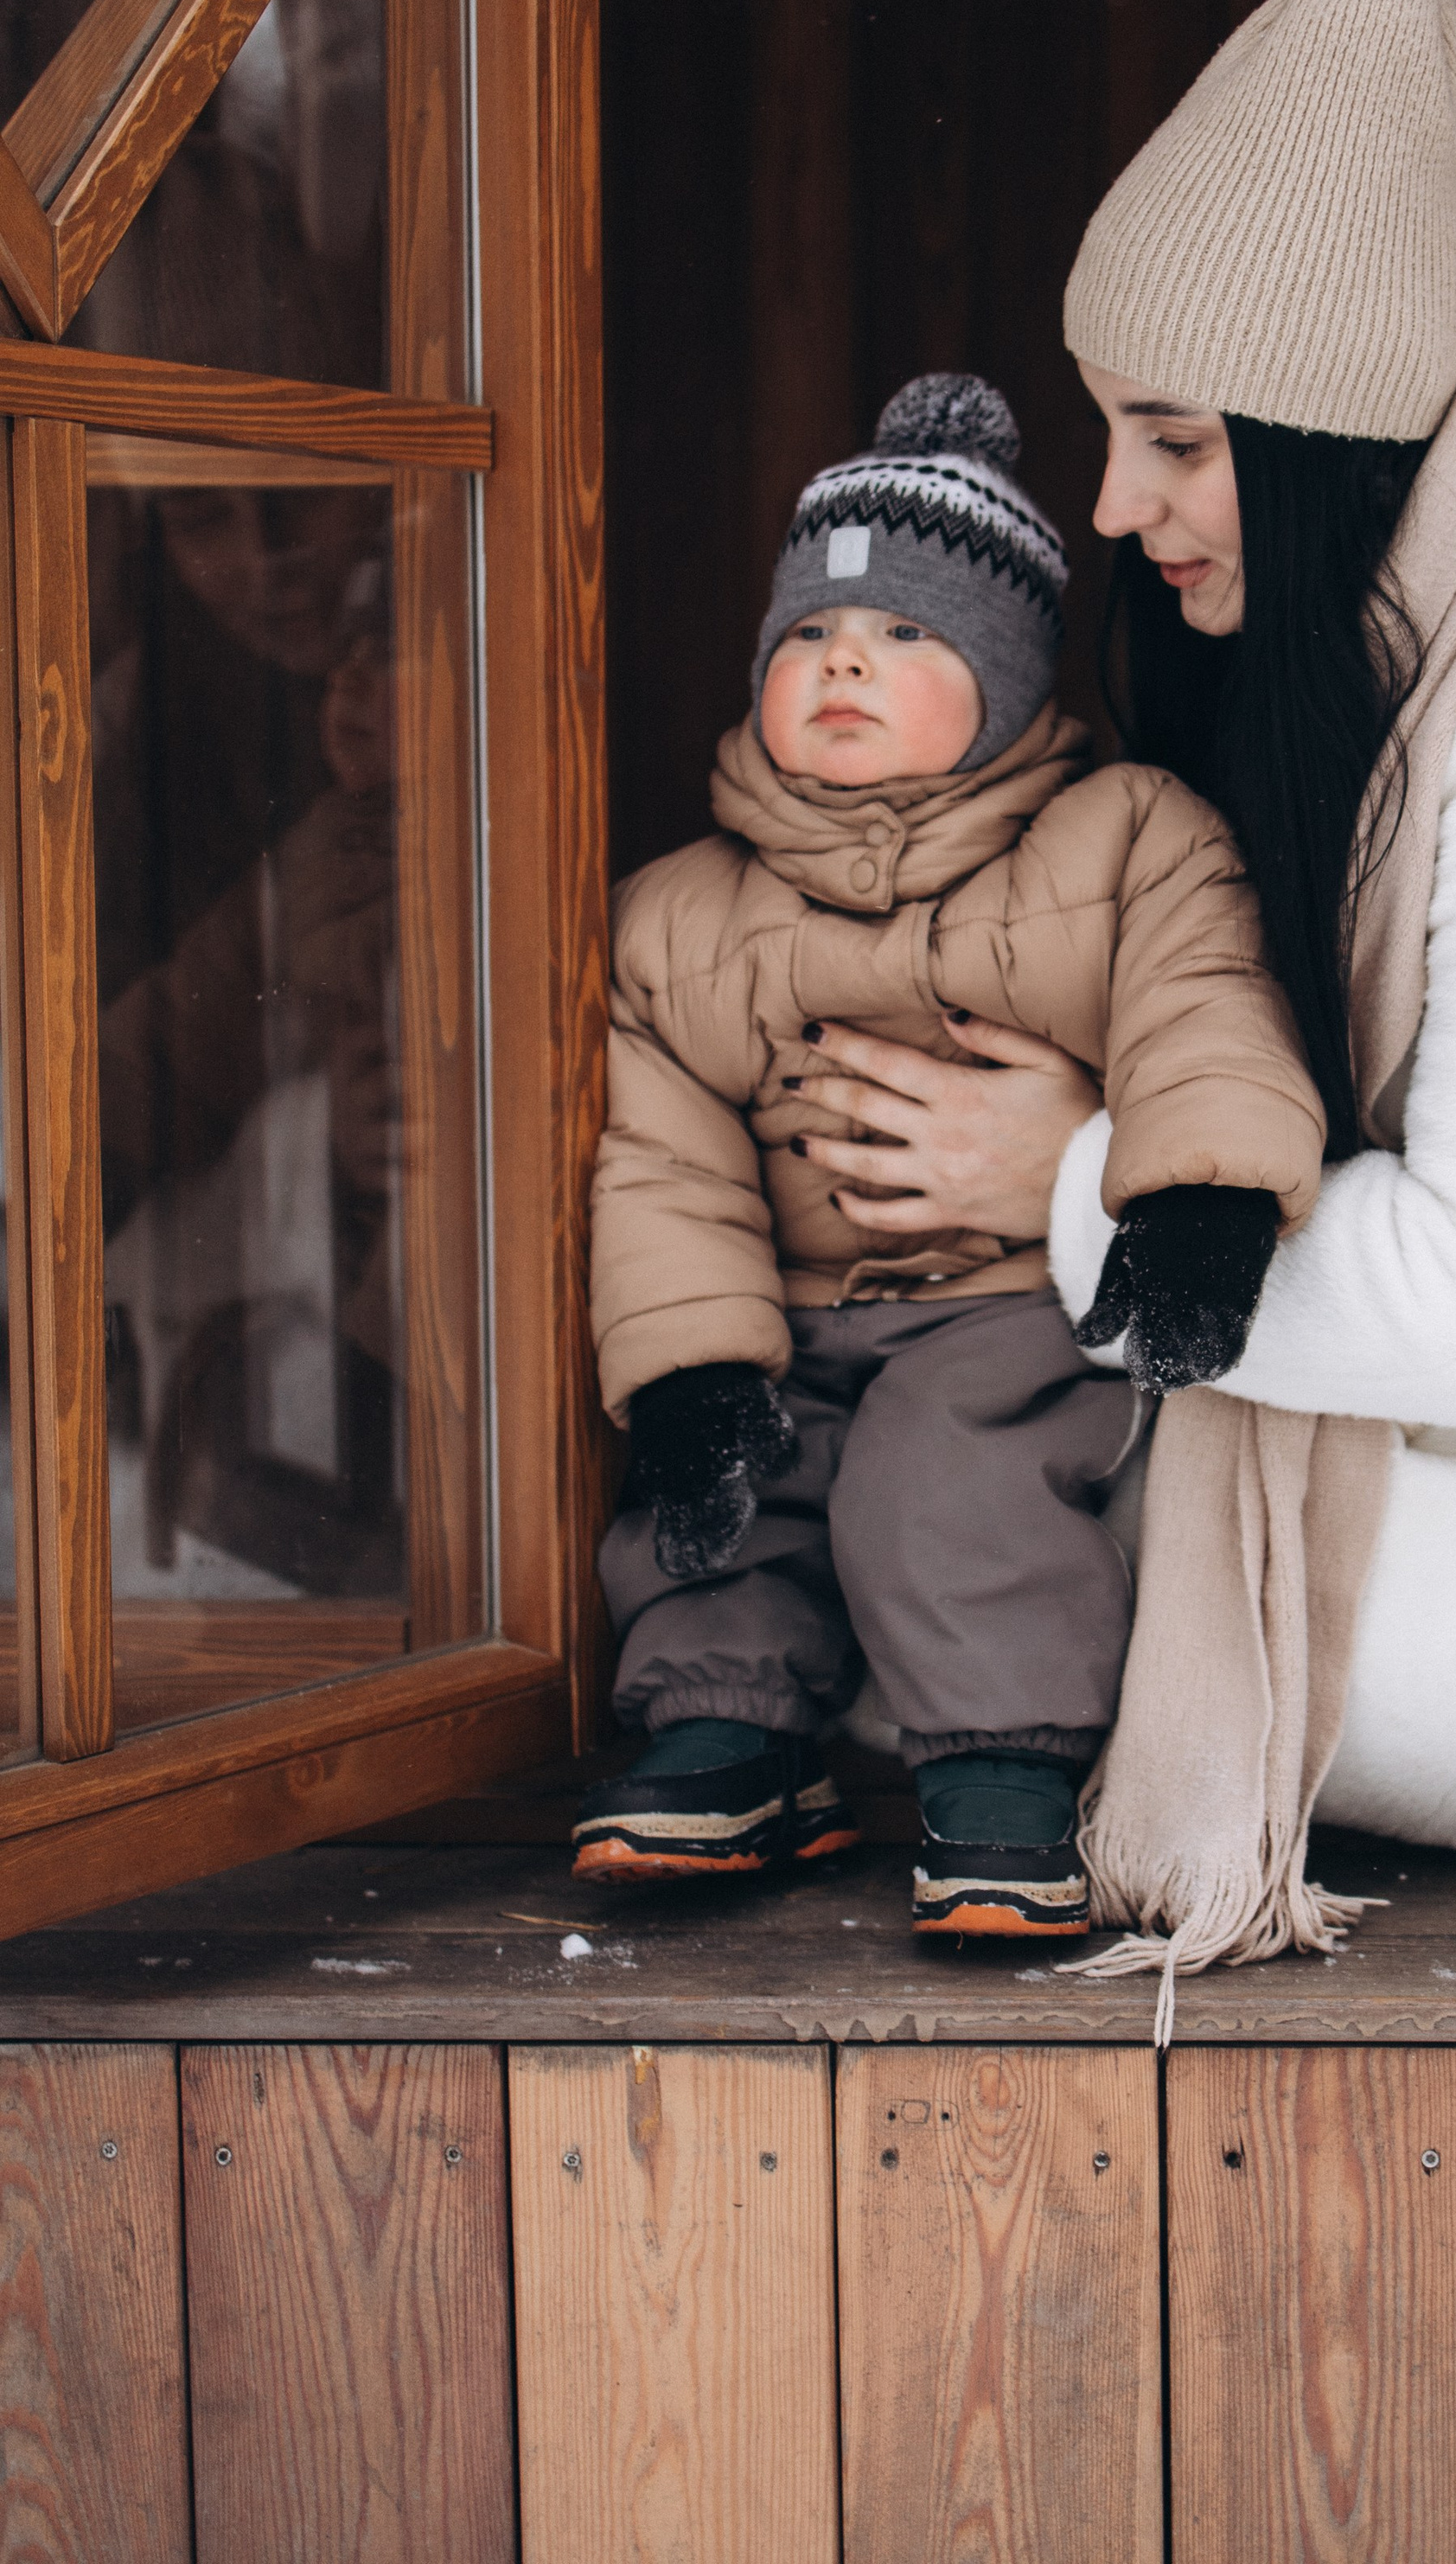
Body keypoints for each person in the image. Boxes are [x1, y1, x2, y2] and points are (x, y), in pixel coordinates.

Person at [780, 0, 1456, 1954]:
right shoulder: (1400, 633)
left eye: (1173, 443)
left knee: (903, 1528)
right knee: (892, 1458)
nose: (1111, 504)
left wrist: (1067, 1185)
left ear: (1321, 434)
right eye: (1111, 430)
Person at [572, 374, 1325, 1938]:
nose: (845, 655)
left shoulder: (1124, 838)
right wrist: (701, 1374)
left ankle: (1003, 1774)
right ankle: (726, 1734)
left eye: (909, 635)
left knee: (946, 1481)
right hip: (791, 1307)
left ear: (1005, 669)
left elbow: (1204, 1011)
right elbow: (665, 1164)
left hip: (1003, 1311)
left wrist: (1199, 1210)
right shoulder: (678, 913)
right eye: (810, 637)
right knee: (723, 1497)